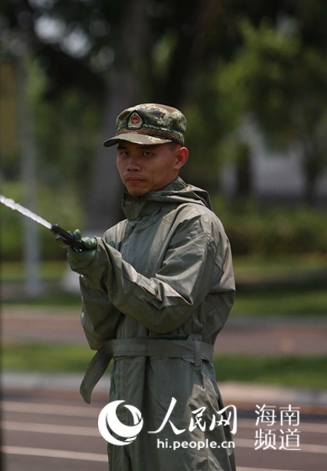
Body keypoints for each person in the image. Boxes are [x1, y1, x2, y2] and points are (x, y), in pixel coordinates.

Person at [64, 103, 236, 470]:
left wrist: (107, 268)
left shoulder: (195, 224)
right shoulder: (117, 234)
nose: (132, 164)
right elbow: (98, 333)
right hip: (125, 394)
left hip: (177, 391)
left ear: (179, 157)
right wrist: (92, 273)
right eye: (124, 153)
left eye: (147, 153)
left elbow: (167, 309)